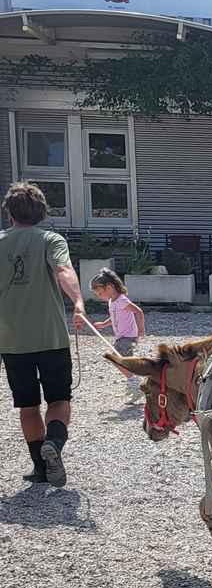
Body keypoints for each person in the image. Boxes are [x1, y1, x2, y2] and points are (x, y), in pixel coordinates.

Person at [0, 182, 86, 487]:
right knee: (59, 399)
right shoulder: (51, 238)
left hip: (11, 341)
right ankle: (55, 444)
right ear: (42, 212)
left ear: (9, 212)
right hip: (50, 337)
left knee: (27, 405)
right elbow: (64, 270)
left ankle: (40, 467)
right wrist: (77, 302)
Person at [89, 268, 146, 401]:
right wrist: (104, 324)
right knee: (122, 361)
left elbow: (139, 312)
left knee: (117, 360)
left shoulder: (121, 300)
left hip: (128, 337)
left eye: (100, 293)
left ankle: (135, 384)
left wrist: (141, 329)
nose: (99, 296)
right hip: (121, 337)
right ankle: (135, 384)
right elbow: (115, 317)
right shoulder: (112, 301)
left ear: (109, 287)